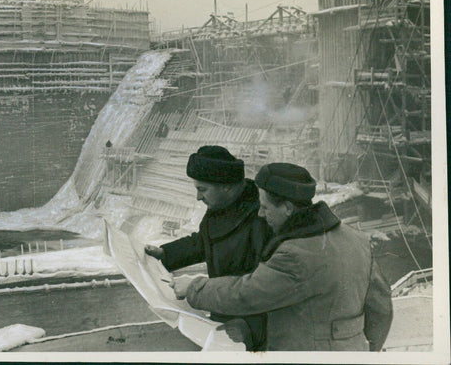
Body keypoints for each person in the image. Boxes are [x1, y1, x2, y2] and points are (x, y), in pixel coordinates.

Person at [176, 162, 393, 351]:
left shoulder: (295, 255)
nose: (260, 214)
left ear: (288, 208)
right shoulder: (357, 239)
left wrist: (195, 287)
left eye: (265, 207)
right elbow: (381, 309)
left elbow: (245, 295)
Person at [144, 145, 273, 350]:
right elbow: (205, 241)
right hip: (223, 315)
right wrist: (166, 253)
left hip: (251, 326)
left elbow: (268, 287)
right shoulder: (221, 206)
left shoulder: (262, 218)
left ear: (227, 187)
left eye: (202, 189)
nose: (197, 197)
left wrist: (249, 327)